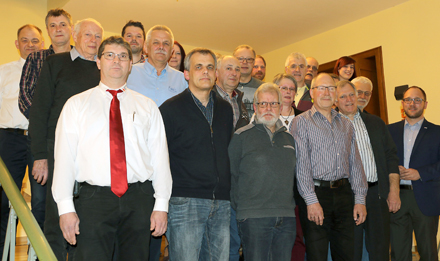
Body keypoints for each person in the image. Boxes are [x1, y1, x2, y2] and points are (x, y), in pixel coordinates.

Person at [52, 35, 172, 260]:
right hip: (92, 200)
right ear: (98, 62)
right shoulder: (76, 105)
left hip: (139, 199)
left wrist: (161, 204)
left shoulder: (147, 107)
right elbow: (64, 158)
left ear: (130, 65)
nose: (116, 61)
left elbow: (160, 158)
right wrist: (65, 208)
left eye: (123, 56)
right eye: (109, 55)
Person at [28, 18, 103, 261]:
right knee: (56, 213)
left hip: (92, 153)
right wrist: (40, 155)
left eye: (98, 37)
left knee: (86, 217)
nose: (93, 41)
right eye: (88, 35)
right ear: (75, 36)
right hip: (56, 148)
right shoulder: (54, 63)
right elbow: (39, 111)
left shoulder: (106, 70)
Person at [160, 48, 233, 260]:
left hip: (221, 202)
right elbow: (159, 158)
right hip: (185, 201)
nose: (205, 72)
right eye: (198, 67)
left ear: (216, 73)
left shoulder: (225, 109)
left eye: (210, 67)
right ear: (186, 73)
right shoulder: (170, 109)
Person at [291, 73, 368, 260]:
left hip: (344, 195)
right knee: (317, 255)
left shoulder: (346, 124)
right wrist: (311, 201)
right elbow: (301, 166)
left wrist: (360, 199)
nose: (327, 92)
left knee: (347, 254)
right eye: (321, 88)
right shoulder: (300, 122)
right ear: (312, 93)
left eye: (331, 88)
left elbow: (356, 164)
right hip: (316, 195)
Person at [18, 8, 73, 233]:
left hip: (73, 140)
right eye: (53, 25)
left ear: (71, 27)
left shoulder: (83, 59)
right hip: (42, 141)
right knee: (41, 201)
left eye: (62, 24)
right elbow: (25, 97)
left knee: (71, 198)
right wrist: (49, 124)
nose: (58, 29)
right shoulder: (37, 57)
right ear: (47, 31)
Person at [229, 83, 296, 261]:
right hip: (253, 218)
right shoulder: (241, 136)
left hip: (286, 218)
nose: (268, 108)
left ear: (280, 107)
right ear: (255, 107)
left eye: (273, 104)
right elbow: (232, 176)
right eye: (263, 104)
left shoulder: (289, 138)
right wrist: (244, 209)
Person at [336, 80, 400, 261]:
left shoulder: (376, 123)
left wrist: (393, 191)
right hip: (346, 197)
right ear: (335, 101)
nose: (348, 99)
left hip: (376, 195)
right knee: (351, 250)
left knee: (380, 250)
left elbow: (391, 157)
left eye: (351, 94)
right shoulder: (331, 125)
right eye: (342, 96)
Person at [0, 24, 44, 256]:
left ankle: (37, 256)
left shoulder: (49, 70)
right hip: (9, 139)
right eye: (24, 40)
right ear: (17, 44)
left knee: (40, 202)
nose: (30, 45)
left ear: (42, 43)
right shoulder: (3, 71)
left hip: (39, 141)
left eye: (34, 40)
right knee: (4, 201)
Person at [388, 86, 440, 261]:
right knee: (398, 253)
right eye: (408, 100)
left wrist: (420, 173)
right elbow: (381, 160)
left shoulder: (437, 132)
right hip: (396, 198)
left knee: (428, 252)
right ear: (402, 104)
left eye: (417, 100)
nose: (412, 103)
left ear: (425, 104)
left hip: (426, 199)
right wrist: (394, 169)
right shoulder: (389, 131)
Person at [213, 55, 249, 260]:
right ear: (217, 72)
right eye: (229, 68)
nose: (234, 73)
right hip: (215, 181)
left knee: (233, 241)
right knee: (214, 241)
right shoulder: (208, 98)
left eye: (237, 69)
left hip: (237, 181)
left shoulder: (239, 100)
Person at [127, 25, 187, 106]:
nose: (161, 47)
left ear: (172, 50)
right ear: (146, 47)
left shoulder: (183, 80)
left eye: (166, 43)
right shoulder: (129, 73)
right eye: (156, 42)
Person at [233, 45, 264, 117]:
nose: (245, 62)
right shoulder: (225, 86)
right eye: (240, 58)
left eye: (249, 59)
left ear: (253, 63)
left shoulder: (263, 87)